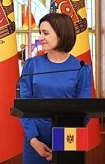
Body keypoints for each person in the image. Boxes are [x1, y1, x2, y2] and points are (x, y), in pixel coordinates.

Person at [19, 12, 92, 163]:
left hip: (69, 140)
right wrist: (34, 140)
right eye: (40, 33)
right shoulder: (32, 65)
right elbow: (23, 105)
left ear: (61, 34)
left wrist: (61, 148)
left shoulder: (81, 68)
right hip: (35, 142)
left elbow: (85, 112)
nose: (40, 38)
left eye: (45, 33)